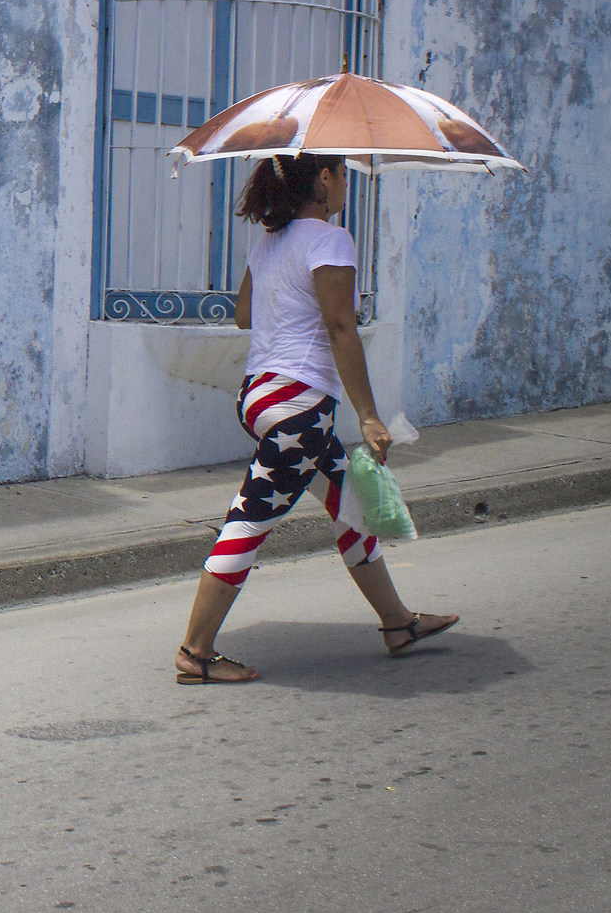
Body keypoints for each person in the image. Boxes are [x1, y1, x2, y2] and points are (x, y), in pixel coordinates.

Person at [175, 153, 458, 684]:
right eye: (343, 173)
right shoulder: (330, 240)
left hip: (262, 398)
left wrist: (285, 296)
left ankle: (398, 624)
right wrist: (369, 415)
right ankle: (195, 652)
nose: (346, 183)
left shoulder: (269, 243)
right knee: (248, 522)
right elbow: (341, 328)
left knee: (351, 506)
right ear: (324, 179)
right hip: (298, 411)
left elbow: (243, 315)